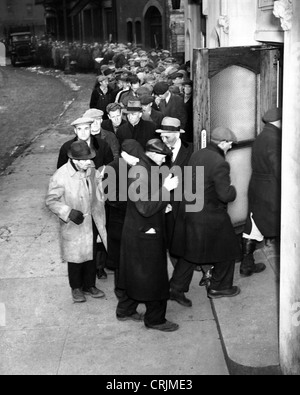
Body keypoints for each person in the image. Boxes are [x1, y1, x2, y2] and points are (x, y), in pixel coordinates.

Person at [170, 126, 241, 306]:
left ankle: (175, 288)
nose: (230, 147)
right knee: (229, 248)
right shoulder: (219, 162)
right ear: (222, 143)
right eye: (229, 144)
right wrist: (233, 190)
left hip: (191, 211)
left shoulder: (197, 154)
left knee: (190, 252)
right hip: (209, 215)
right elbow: (225, 194)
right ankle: (219, 287)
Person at [117, 139, 180, 332]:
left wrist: (162, 206)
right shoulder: (140, 173)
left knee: (134, 272)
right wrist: (166, 189)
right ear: (151, 153)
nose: (164, 160)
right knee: (155, 278)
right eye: (162, 156)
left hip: (137, 231)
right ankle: (155, 319)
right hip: (146, 233)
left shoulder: (144, 167)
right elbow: (144, 207)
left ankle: (125, 309)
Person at [46, 140, 107, 303]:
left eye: (89, 158)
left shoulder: (91, 168)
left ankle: (89, 285)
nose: (89, 161)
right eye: (85, 159)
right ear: (75, 159)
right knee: (75, 258)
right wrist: (68, 212)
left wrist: (100, 202)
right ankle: (76, 288)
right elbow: (51, 201)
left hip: (92, 219)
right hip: (74, 224)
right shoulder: (60, 176)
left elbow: (99, 186)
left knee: (91, 254)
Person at [240, 107, 282, 277]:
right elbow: (278, 167)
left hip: (256, 186)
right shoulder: (275, 138)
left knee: (253, 226)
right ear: (280, 121)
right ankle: (286, 275)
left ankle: (246, 265)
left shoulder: (261, 136)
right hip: (272, 190)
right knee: (283, 227)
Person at [155, 117, 193, 267]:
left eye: (167, 136)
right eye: (161, 136)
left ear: (178, 135)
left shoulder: (191, 150)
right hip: (167, 207)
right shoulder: (157, 151)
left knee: (190, 241)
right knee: (172, 243)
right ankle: (178, 273)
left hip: (186, 205)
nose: (163, 139)